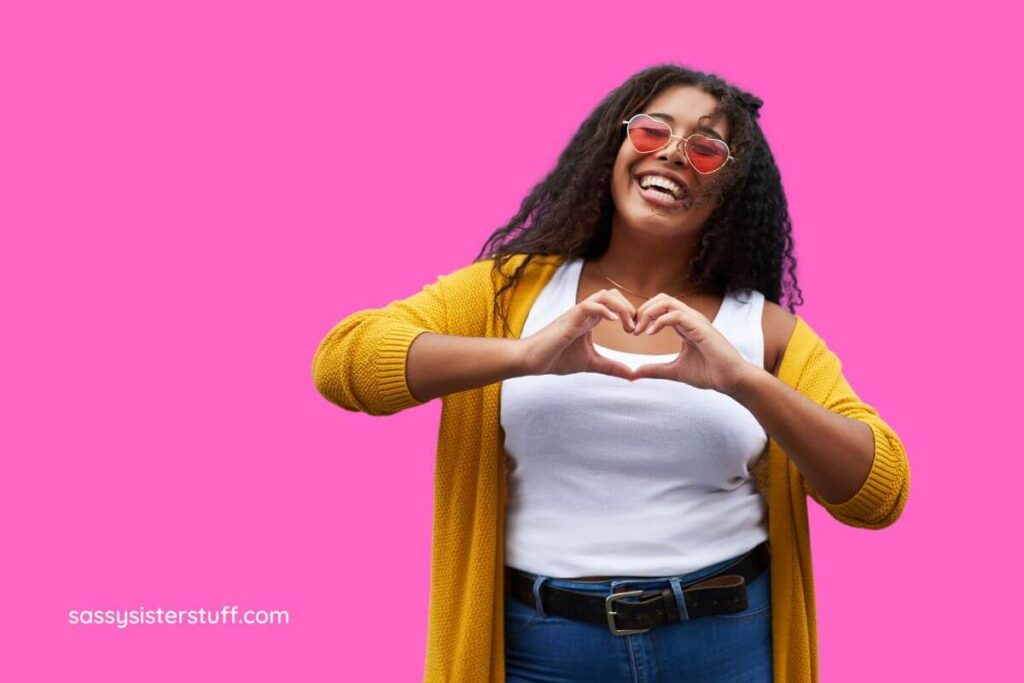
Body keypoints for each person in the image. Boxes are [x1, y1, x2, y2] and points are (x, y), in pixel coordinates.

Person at [311, 63, 910, 682]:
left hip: (724, 647)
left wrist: (746, 383)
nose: (675, 154)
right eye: (654, 131)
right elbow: (344, 362)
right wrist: (524, 356)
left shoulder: (769, 333)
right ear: (616, 145)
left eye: (705, 148)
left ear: (730, 190)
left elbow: (879, 493)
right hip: (539, 651)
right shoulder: (505, 297)